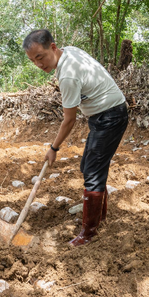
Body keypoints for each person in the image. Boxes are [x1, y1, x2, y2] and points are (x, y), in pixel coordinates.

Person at [23, 29, 128, 246]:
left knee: (92, 172)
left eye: (40, 57)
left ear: (53, 47)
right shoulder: (69, 51)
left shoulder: (68, 76)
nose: (38, 64)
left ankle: (89, 234)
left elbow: (69, 120)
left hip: (109, 116)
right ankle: (100, 219)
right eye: (33, 60)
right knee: (90, 167)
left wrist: (53, 148)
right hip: (106, 114)